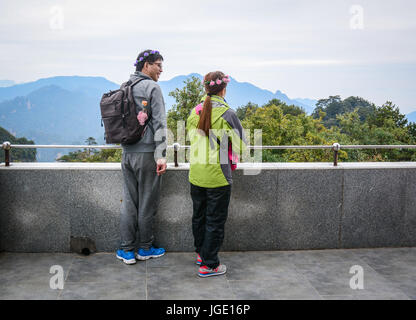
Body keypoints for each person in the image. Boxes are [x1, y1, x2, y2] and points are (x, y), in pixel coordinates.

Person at [186, 71, 246, 277]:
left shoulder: (194, 112)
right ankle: (210, 265)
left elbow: (191, 139)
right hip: (218, 175)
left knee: (199, 216)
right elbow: (241, 146)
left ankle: (201, 255)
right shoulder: (228, 114)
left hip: (196, 172)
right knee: (215, 220)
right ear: (223, 89)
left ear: (205, 88)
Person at [116, 49, 167, 265]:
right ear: (146, 65)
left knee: (129, 201)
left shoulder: (125, 86)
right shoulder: (152, 87)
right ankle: (145, 248)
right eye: (158, 65)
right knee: (147, 202)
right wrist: (161, 155)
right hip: (147, 154)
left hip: (127, 153)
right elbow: (159, 123)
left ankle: (126, 250)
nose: (161, 70)